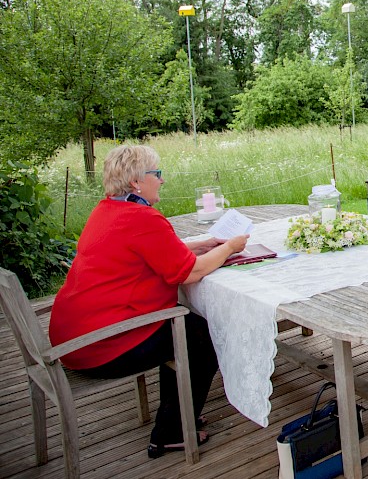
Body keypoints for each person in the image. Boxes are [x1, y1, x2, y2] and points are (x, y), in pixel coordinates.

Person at [49, 145, 249, 457]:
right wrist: (230, 247)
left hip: (74, 337)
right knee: (201, 334)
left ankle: (179, 416)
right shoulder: (142, 219)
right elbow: (191, 272)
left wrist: (207, 243)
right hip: (101, 346)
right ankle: (170, 433)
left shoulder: (107, 211)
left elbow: (163, 254)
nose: (162, 180)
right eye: (156, 174)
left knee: (184, 325)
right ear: (135, 183)